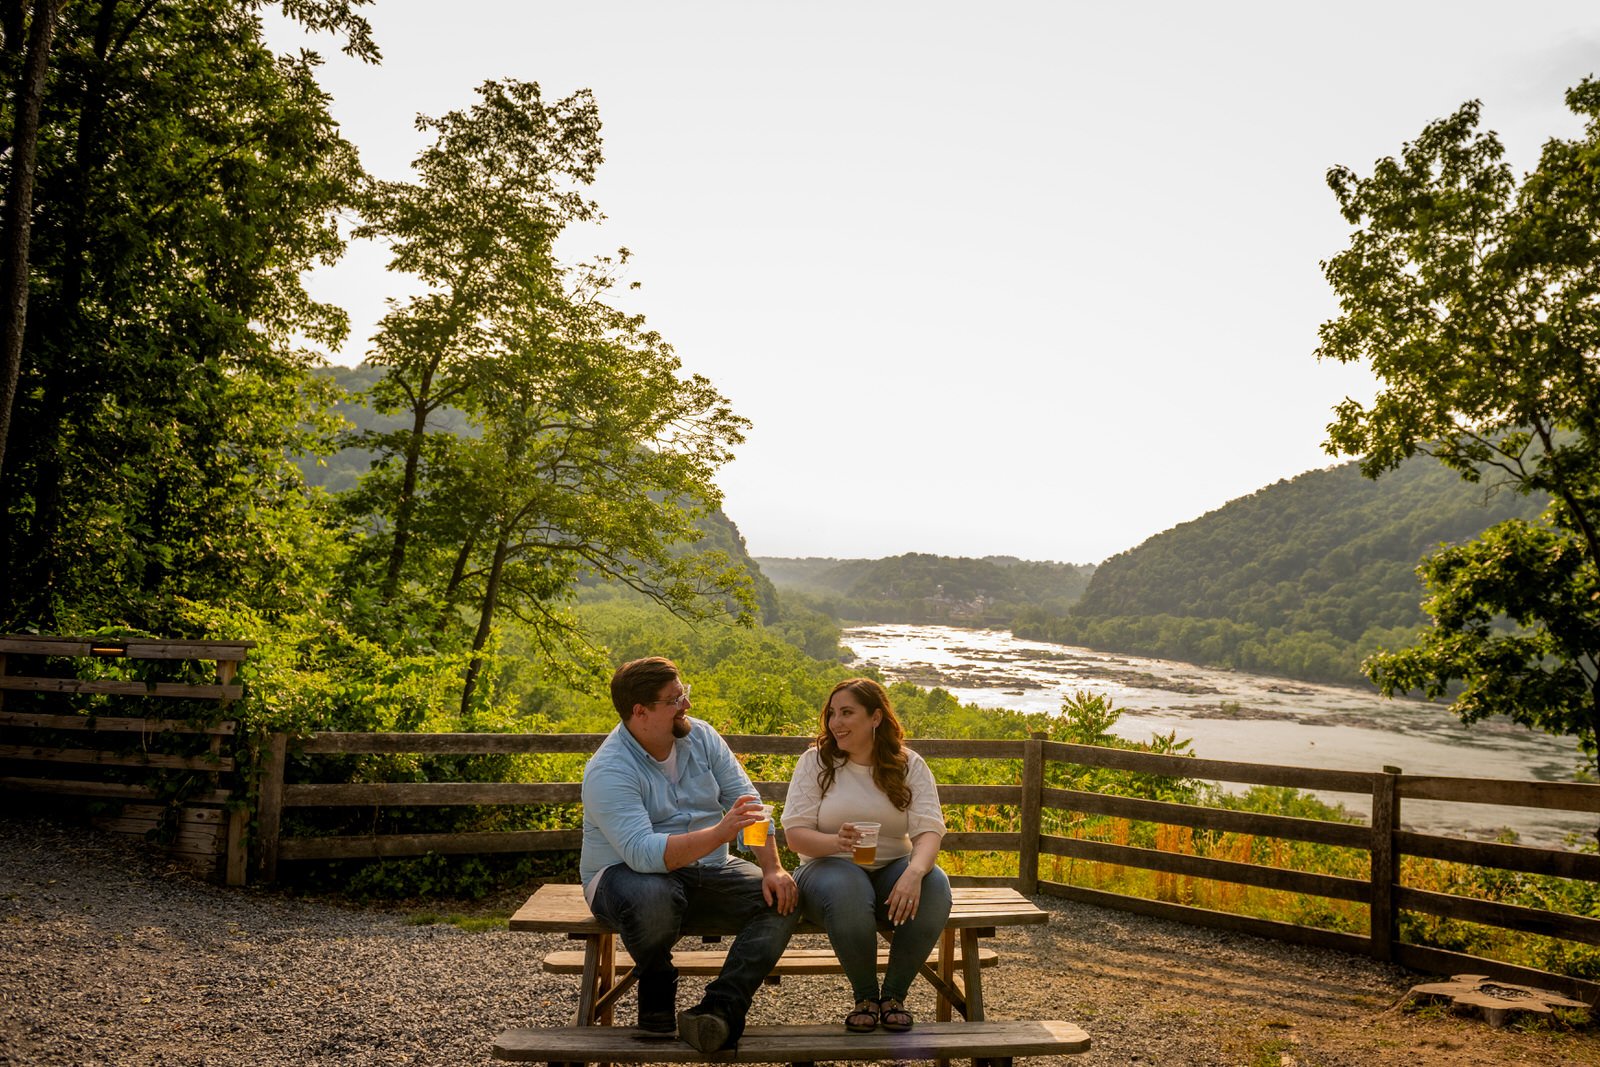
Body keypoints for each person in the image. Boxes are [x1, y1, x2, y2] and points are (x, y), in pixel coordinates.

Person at [580, 656, 799, 1053]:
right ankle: (657, 991)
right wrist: (719, 831)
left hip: (707, 869)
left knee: (781, 899)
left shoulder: (702, 737)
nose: (687, 705)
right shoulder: (609, 769)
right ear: (640, 712)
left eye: (684, 693)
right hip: (622, 877)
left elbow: (747, 804)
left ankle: (718, 1011)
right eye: (675, 699)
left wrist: (772, 868)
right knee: (654, 894)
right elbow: (642, 855)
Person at [780, 677, 951, 1034]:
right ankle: (866, 998)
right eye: (832, 714)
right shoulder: (816, 762)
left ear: (875, 718)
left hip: (890, 869)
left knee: (935, 883)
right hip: (826, 870)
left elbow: (928, 831)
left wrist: (914, 873)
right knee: (850, 887)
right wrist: (834, 844)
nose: (836, 723)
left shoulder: (909, 764)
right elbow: (795, 836)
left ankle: (893, 997)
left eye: (847, 713)